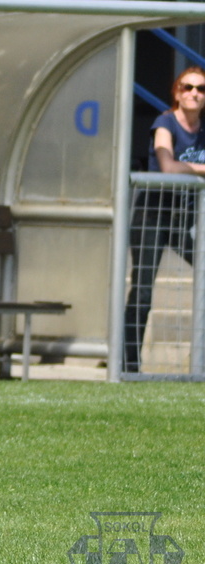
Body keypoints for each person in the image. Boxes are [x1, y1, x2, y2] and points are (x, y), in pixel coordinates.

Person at [124, 66, 205, 372]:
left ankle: (199, 363)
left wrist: (190, 170)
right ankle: (129, 365)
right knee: (143, 290)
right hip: (152, 215)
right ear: (177, 93)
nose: (194, 93)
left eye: (201, 88)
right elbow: (168, 166)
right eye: (188, 87)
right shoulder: (165, 122)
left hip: (184, 218)